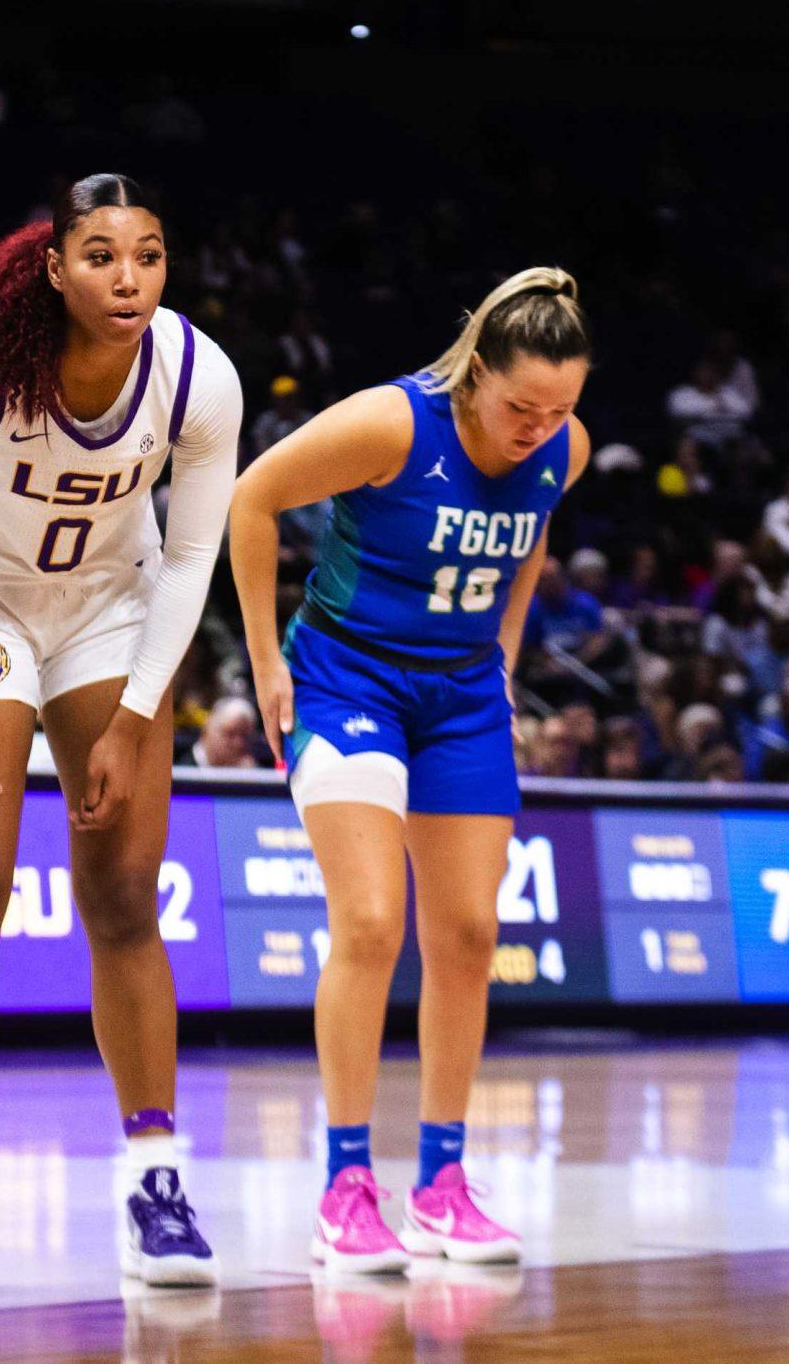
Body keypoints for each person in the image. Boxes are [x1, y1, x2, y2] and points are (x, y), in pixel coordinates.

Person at [0, 173, 242, 1297]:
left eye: (150, 254)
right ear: (54, 266)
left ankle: (157, 1176)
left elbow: (186, 559)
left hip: (107, 608)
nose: (129, 277)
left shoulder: (195, 374)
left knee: (124, 894)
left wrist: (132, 716)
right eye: (103, 254)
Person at [229, 266, 589, 1274]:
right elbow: (252, 499)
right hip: (347, 681)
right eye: (521, 406)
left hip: (464, 694)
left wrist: (507, 655)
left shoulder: (565, 444)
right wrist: (263, 663)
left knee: (469, 932)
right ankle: (346, 1183)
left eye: (559, 408)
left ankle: (442, 1180)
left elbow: (533, 533)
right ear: (476, 374)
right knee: (373, 920)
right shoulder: (392, 423)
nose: (538, 428)